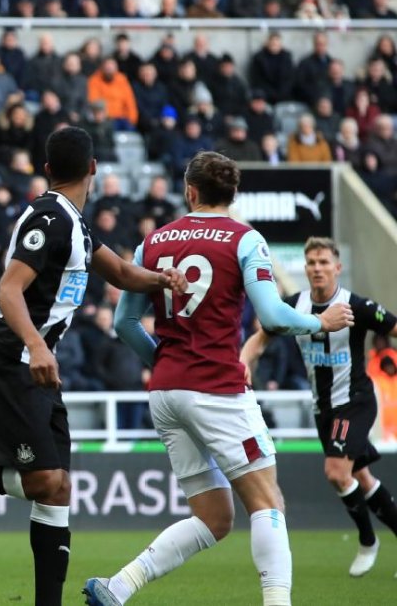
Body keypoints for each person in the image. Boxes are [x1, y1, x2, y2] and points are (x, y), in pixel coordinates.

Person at [0, 127, 188, 606]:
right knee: (41, 481)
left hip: (34, 367)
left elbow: (120, 273)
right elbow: (7, 290)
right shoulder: (49, 218)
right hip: (9, 361)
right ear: (95, 168)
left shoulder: (75, 224)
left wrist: (163, 279)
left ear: (47, 169)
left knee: (56, 489)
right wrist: (37, 345)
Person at [83, 153, 354, 606]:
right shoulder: (245, 240)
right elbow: (271, 315)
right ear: (233, 194)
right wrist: (320, 323)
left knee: (214, 516)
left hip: (167, 392)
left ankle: (119, 586)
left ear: (190, 191)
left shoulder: (155, 241)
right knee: (268, 500)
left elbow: (125, 324)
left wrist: (168, 362)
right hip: (217, 388)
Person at [240, 237, 397, 576]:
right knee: (362, 479)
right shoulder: (293, 305)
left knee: (336, 473)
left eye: (324, 262)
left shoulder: (356, 306)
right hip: (322, 408)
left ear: (337, 268)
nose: (317, 268)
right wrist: (244, 360)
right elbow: (261, 337)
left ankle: (368, 541)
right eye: (311, 262)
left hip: (354, 401)